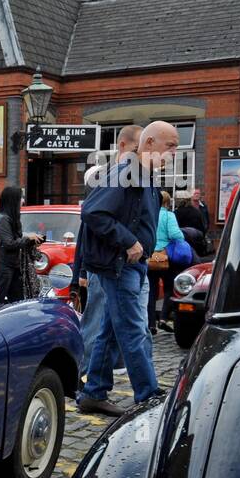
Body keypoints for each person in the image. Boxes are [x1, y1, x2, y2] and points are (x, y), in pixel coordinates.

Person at [77, 120, 178, 414]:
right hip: (120, 266)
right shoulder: (127, 173)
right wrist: (130, 242)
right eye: (169, 145)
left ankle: (93, 392)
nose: (174, 152)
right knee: (133, 330)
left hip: (130, 266)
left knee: (110, 331)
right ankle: (148, 395)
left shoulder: (143, 176)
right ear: (148, 144)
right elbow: (92, 212)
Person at [74, 125, 140, 378]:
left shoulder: (130, 177)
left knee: (111, 322)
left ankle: (97, 377)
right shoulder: (113, 177)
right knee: (97, 319)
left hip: (120, 263)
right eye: (136, 148)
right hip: (106, 263)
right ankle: (84, 372)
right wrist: (81, 270)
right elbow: (90, 223)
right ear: (123, 147)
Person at [0, 186, 40, 305]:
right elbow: (9, 243)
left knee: (18, 302)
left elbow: (15, 239)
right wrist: (28, 238)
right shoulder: (2, 219)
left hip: (13, 266)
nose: (22, 201)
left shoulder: (12, 218)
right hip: (1, 267)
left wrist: (30, 237)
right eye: (20, 198)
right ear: (13, 200)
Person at [149, 190, 185, 333]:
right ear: (167, 202)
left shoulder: (150, 214)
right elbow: (176, 235)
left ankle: (151, 324)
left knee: (151, 291)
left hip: (151, 257)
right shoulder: (169, 215)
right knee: (170, 288)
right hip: (165, 257)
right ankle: (163, 318)